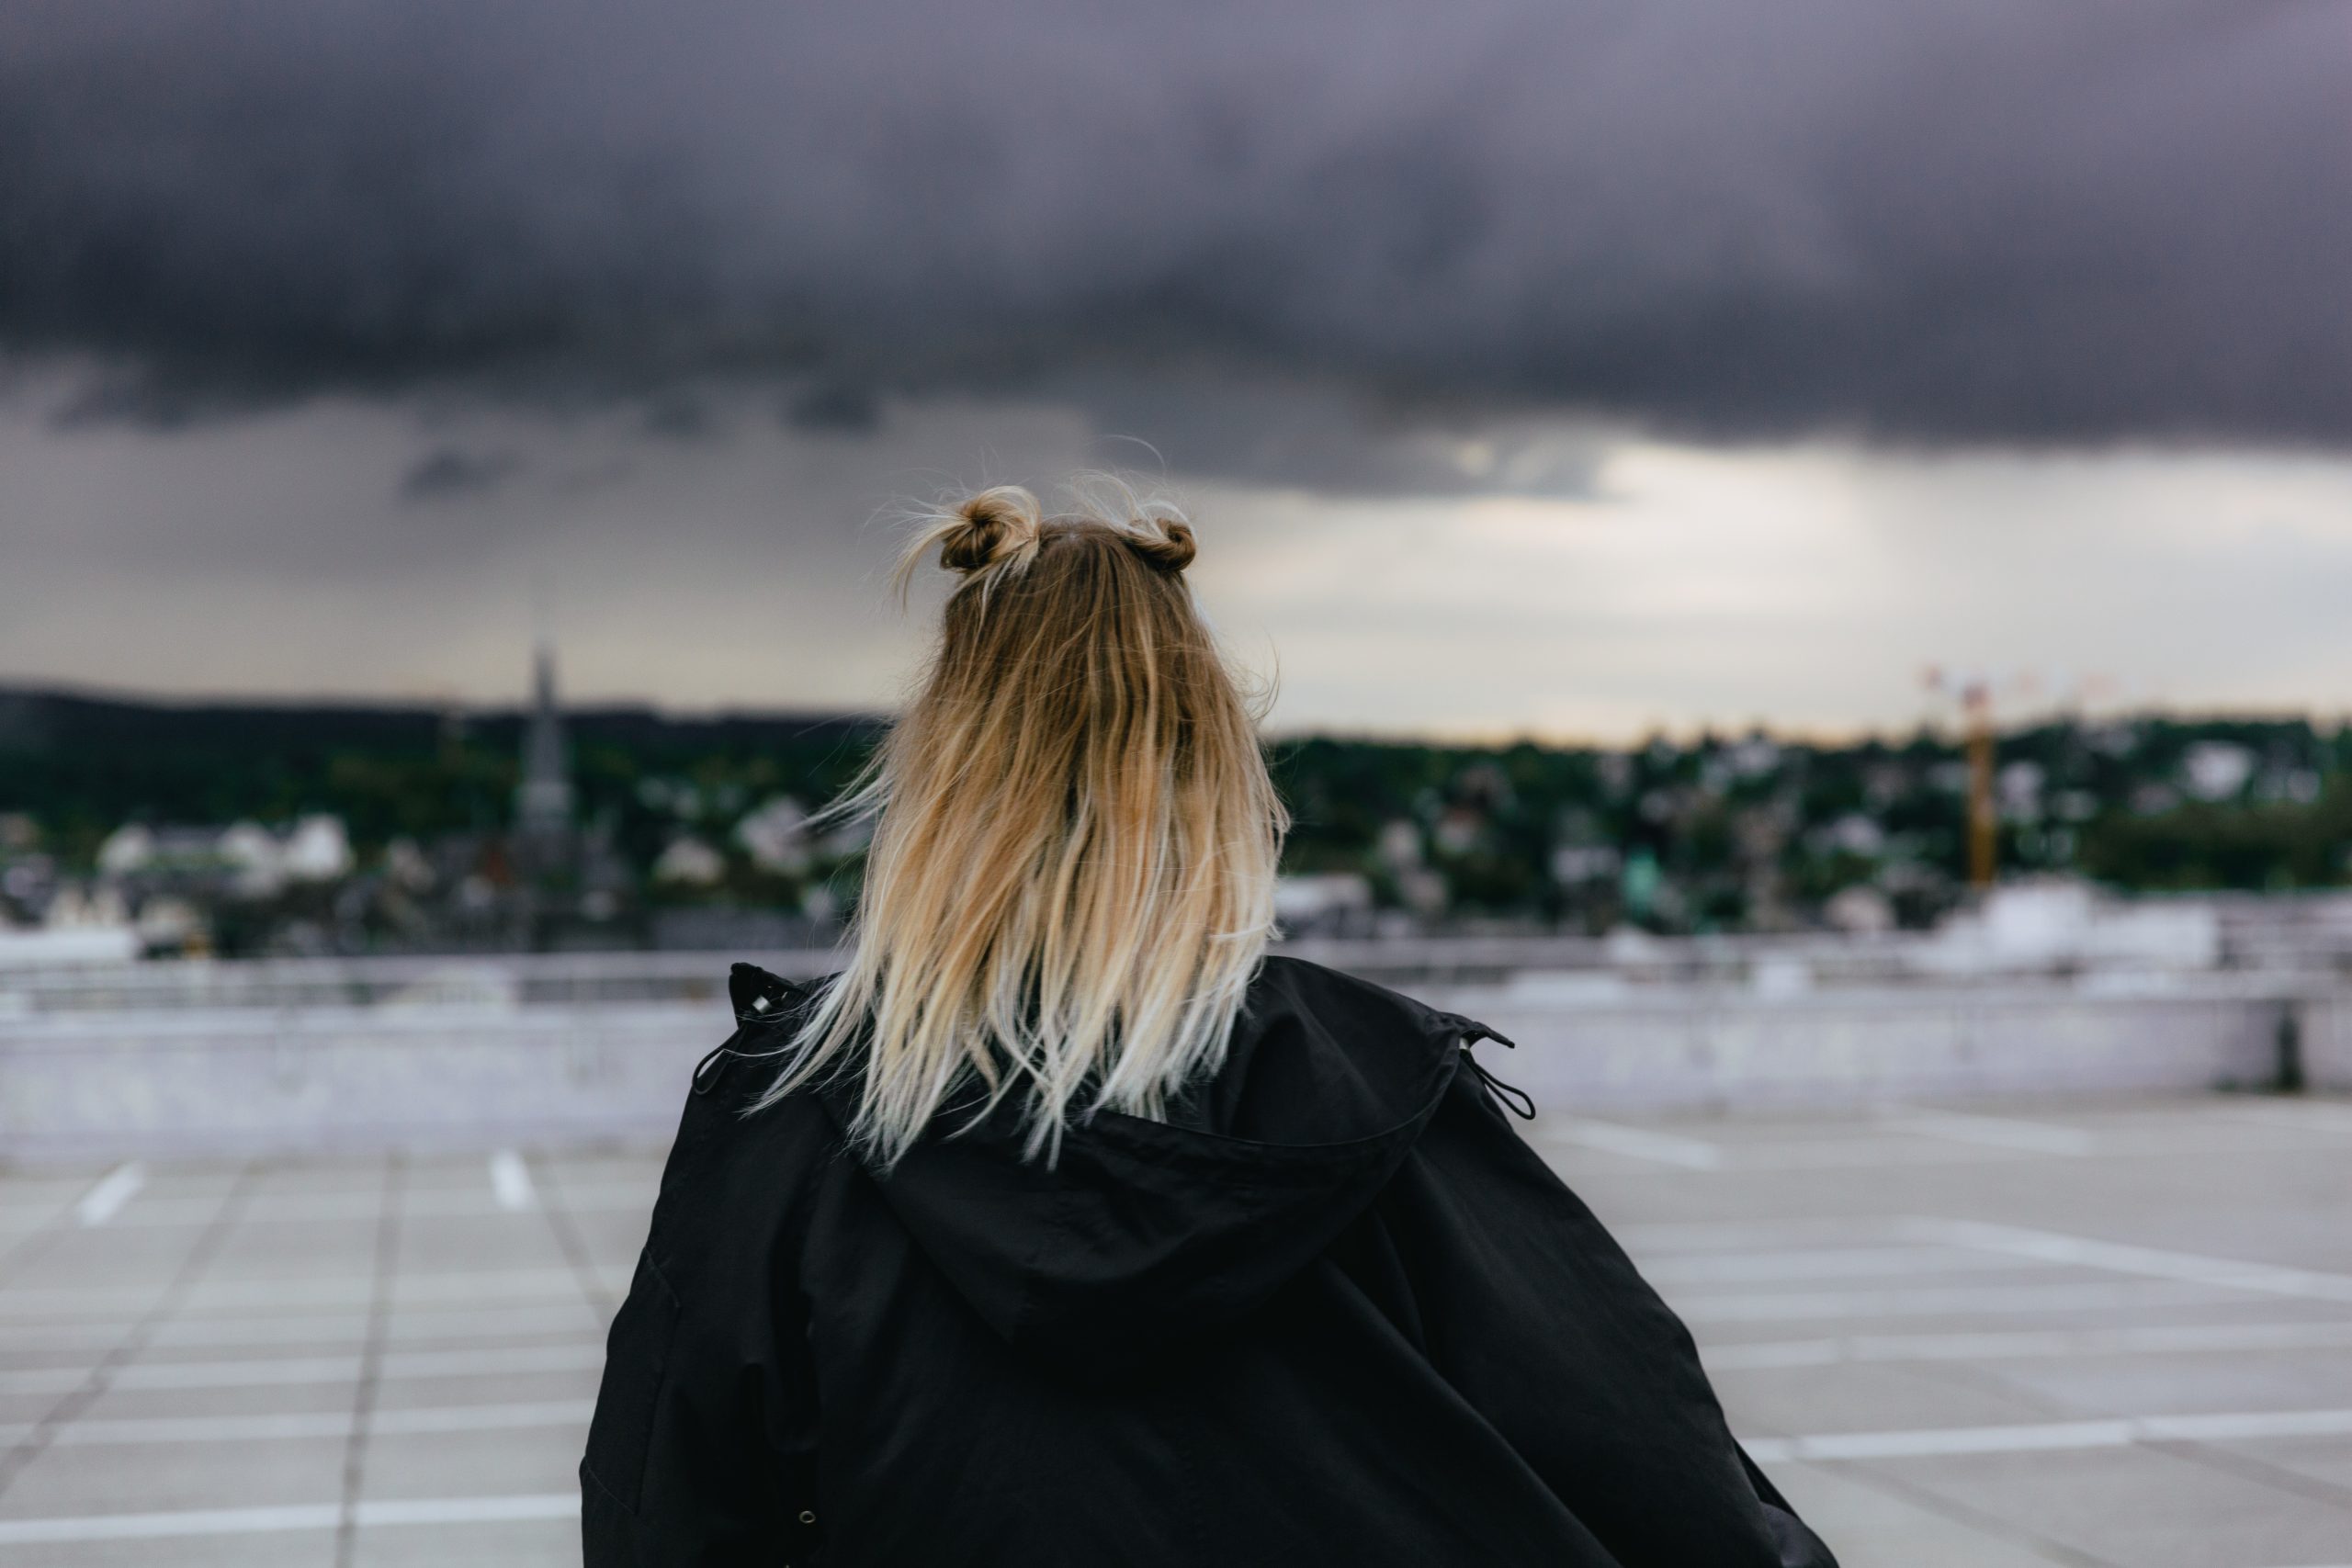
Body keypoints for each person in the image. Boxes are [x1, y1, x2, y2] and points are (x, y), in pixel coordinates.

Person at [580, 480, 1838, 1567]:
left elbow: (664, 1518)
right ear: (1216, 766)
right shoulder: (1369, 1090)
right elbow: (1661, 1470)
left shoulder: (789, 1118)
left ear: (938, 779)